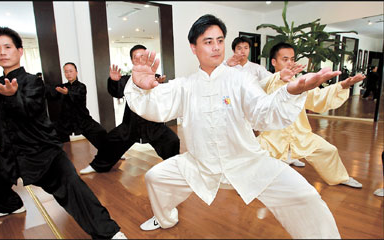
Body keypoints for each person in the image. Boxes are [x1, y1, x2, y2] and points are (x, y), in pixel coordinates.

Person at [124, 14, 348, 238]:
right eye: (208, 41)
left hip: (248, 162)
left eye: (220, 41)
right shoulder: (185, 86)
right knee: (155, 178)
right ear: (194, 47)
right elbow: (153, 105)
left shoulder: (240, 80)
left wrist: (292, 91)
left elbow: (263, 112)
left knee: (306, 195)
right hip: (199, 163)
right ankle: (165, 218)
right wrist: (138, 85)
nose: (216, 47)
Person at [0, 27, 126, 239]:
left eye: (8, 47)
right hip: (10, 157)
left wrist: (10, 96)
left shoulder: (32, 82)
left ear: (20, 51)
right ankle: (10, 205)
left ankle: (110, 233)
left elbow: (29, 109)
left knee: (74, 190)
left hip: (43, 155)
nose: (2, 52)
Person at [256, 42, 365, 189]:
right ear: (274, 62)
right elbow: (257, 89)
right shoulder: (269, 82)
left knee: (329, 150)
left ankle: (340, 178)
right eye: (285, 59)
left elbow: (317, 98)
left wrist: (343, 85)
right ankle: (250, 184)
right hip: (272, 138)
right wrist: (280, 76)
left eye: (292, 59)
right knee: (253, 157)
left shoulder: (300, 83)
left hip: (301, 135)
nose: (290, 63)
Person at [80, 44, 180, 174]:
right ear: (132, 60)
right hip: (130, 124)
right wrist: (114, 81)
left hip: (153, 124)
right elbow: (116, 93)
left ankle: (176, 168)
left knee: (172, 140)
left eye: (142, 56)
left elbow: (163, 96)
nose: (139, 59)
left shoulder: (155, 77)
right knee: (110, 140)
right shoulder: (126, 80)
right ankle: (97, 166)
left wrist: (159, 85)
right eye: (135, 57)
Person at [226, 37, 306, 167]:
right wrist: (226, 65)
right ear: (233, 50)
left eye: (246, 48)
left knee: (276, 131)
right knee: (235, 133)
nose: (242, 51)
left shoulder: (256, 68)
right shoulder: (227, 67)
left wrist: (285, 75)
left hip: (251, 104)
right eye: (239, 48)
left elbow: (271, 79)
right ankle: (236, 159)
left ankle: (287, 155)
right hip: (233, 104)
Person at [45, 62, 108, 151]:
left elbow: (78, 96)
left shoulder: (81, 87)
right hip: (66, 121)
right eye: (66, 72)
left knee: (100, 132)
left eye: (71, 71)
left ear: (76, 72)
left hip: (81, 119)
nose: (68, 74)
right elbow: (52, 93)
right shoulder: (62, 87)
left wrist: (67, 93)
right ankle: (60, 159)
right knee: (54, 135)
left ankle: (111, 153)